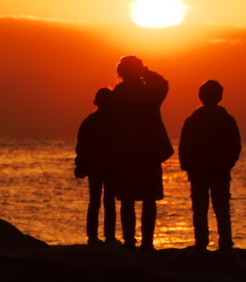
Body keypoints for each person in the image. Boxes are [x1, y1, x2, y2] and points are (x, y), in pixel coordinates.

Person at [109, 55, 173, 251]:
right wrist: (146, 72)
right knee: (148, 199)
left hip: (126, 150)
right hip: (149, 151)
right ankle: (147, 243)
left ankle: (129, 242)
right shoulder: (149, 92)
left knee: (127, 199)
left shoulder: (118, 94)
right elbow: (163, 83)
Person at [178, 79, 242, 251]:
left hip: (198, 171)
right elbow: (235, 145)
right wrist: (228, 163)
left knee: (200, 209)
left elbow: (184, 145)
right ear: (220, 96)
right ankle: (226, 245)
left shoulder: (192, 120)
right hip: (220, 170)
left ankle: (201, 244)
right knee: (222, 209)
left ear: (200, 96)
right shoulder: (227, 119)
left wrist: (186, 164)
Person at [74, 87, 118, 245]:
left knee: (95, 201)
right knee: (109, 202)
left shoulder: (90, 121)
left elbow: (81, 147)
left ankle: (93, 237)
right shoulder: (116, 122)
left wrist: (81, 165)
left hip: (95, 166)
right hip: (111, 166)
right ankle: (109, 237)